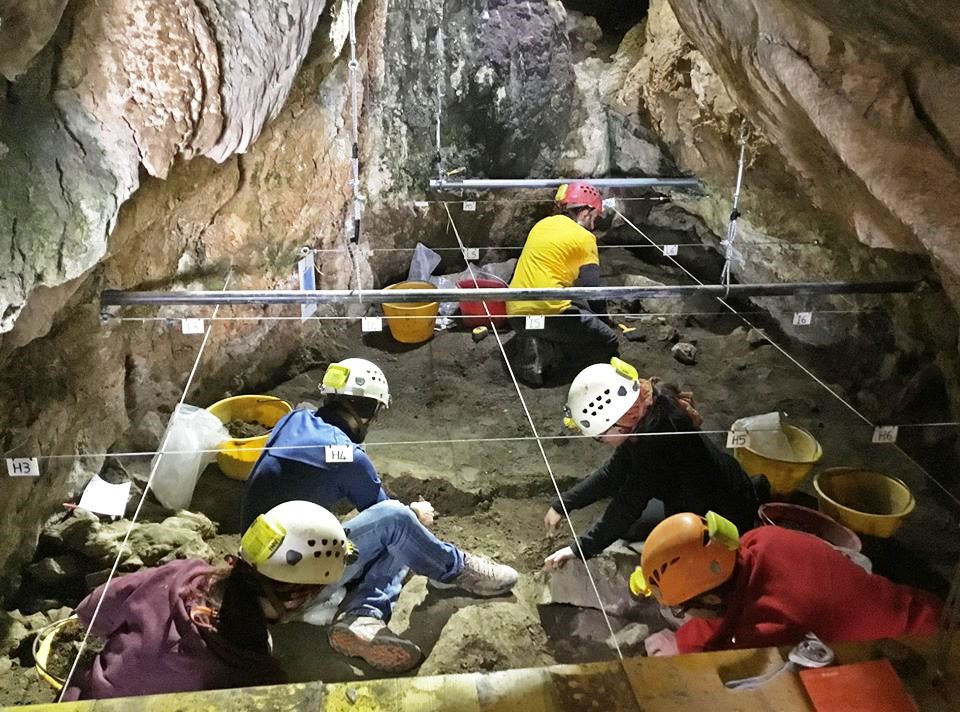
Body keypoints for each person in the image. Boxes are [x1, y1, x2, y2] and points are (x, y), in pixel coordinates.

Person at [241, 357, 518, 673]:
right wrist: (414, 514)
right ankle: (455, 570)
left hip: (260, 566)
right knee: (400, 523)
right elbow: (385, 514)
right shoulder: (348, 456)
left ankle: (364, 619)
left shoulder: (295, 420)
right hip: (289, 589)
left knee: (397, 532)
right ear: (368, 412)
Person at [63, 501, 350, 700]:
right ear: (298, 597)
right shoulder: (254, 675)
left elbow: (93, 610)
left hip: (83, 699)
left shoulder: (178, 576)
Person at [543, 358, 766, 571]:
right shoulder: (646, 412)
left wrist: (578, 549)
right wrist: (562, 504)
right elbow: (612, 473)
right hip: (711, 487)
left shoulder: (656, 442)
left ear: (622, 422)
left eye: (599, 436)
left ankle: (749, 513)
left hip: (720, 515)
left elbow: (626, 506)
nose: (600, 442)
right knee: (630, 522)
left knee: (634, 529)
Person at [632, 511, 944, 656]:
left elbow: (736, 658)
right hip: (924, 604)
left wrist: (682, 648)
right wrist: (684, 639)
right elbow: (735, 603)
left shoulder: (771, 626)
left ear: (710, 600)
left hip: (922, 651)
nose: (681, 615)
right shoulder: (759, 541)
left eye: (681, 609)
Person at [505, 181, 619, 385]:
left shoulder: (542, 225)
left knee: (574, 309)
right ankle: (553, 363)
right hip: (550, 314)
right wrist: (604, 322)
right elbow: (592, 290)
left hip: (515, 315)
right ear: (585, 212)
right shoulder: (584, 238)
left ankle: (532, 340)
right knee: (607, 340)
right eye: (593, 217)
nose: (593, 224)